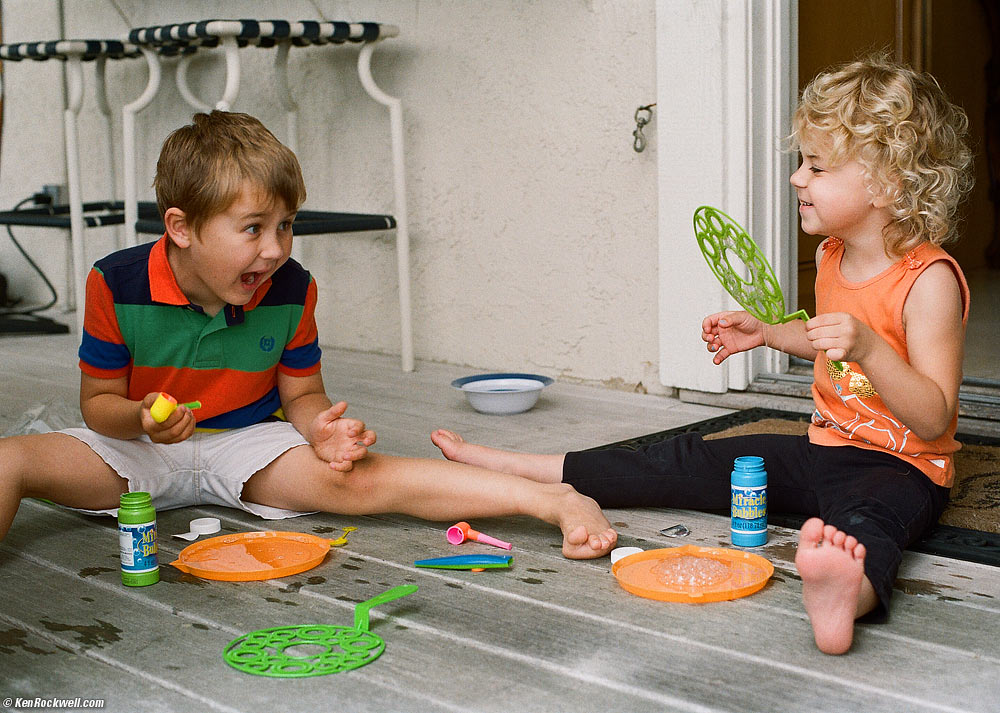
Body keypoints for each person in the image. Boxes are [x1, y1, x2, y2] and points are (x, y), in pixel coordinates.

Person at [431, 55, 974, 654]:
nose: (797, 178)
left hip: (903, 468)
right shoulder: (832, 255)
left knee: (869, 525)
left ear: (887, 185)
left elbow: (934, 418)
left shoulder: (929, 282)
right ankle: (521, 469)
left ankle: (845, 594)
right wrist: (768, 333)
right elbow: (828, 341)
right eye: (801, 162)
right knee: (684, 457)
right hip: (822, 446)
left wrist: (870, 347)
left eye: (817, 167)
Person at [0, 110, 617, 560]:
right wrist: (140, 417)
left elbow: (300, 394)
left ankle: (551, 499)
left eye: (286, 225)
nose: (274, 249)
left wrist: (321, 429)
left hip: (249, 444)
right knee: (9, 459)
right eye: (252, 228)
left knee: (367, 478)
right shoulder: (115, 283)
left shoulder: (292, 287)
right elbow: (98, 406)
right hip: (137, 449)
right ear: (181, 227)